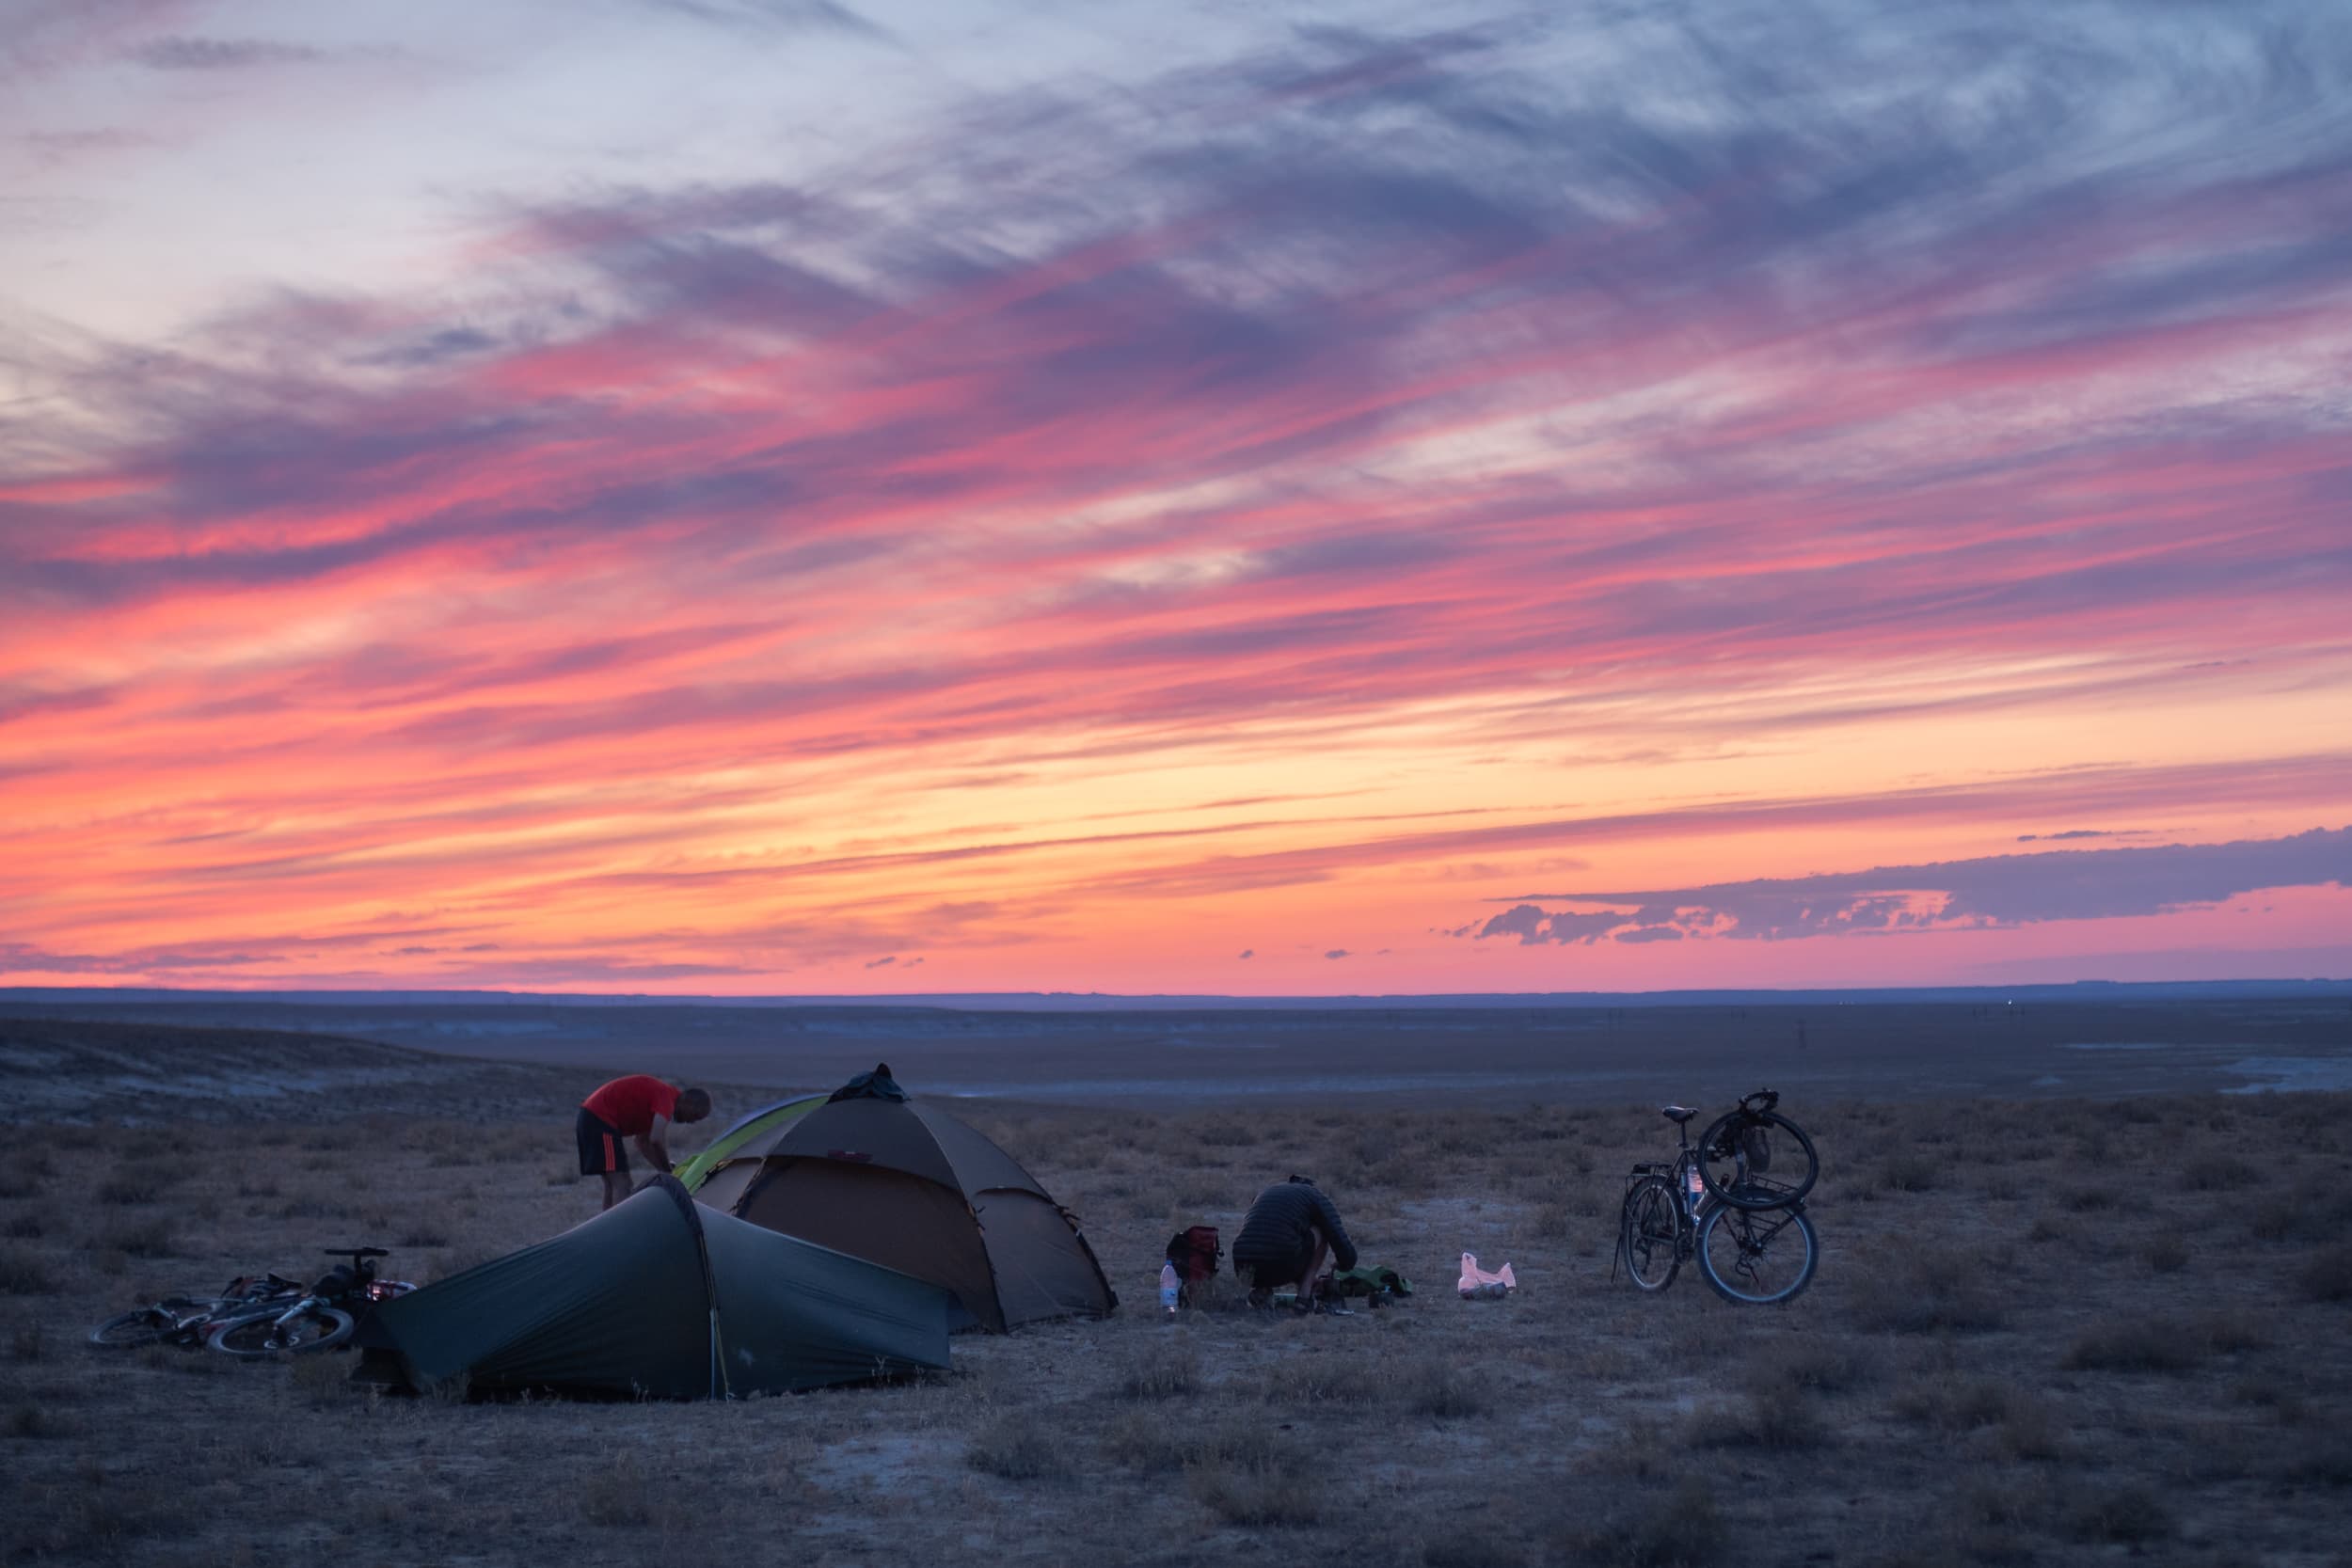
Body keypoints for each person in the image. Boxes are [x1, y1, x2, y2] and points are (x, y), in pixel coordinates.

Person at [577, 1074, 712, 1212]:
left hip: (591, 1116)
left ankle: (606, 1228)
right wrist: (666, 1168)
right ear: (687, 1103)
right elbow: (656, 1139)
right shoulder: (666, 1097)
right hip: (600, 1119)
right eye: (695, 1116)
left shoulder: (656, 1102)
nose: (692, 1122)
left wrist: (662, 1169)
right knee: (622, 1183)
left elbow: (643, 1143)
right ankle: (620, 1227)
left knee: (612, 1184)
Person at [1232, 1174, 1357, 1310]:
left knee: (1270, 1235)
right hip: (1281, 1259)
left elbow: (1272, 1240)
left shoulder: (1266, 1192)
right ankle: (1304, 1296)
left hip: (1243, 1265)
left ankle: (1262, 1290)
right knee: (1321, 1230)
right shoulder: (1314, 1196)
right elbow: (1341, 1242)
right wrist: (1341, 1265)